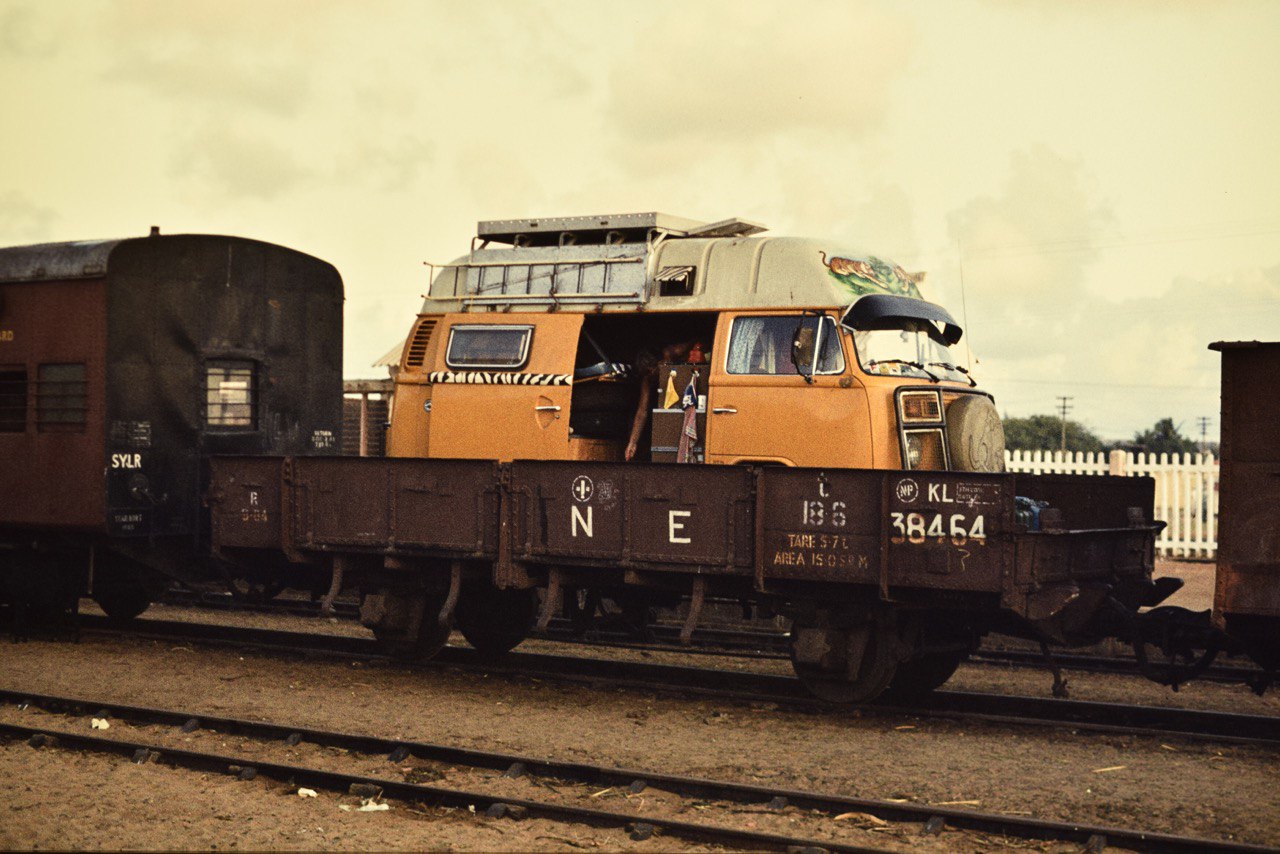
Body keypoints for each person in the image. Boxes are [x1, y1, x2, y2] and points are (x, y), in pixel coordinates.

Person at [625, 340, 699, 461]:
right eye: (647, 373)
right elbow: (642, 411)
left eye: (651, 370)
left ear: (660, 362)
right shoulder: (648, 378)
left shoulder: (673, 352)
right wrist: (632, 443)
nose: (651, 374)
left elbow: (697, 342)